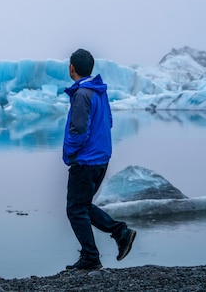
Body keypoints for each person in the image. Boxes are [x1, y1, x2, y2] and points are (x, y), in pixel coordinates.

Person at [62, 48, 136, 270]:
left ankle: (93, 255)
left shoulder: (82, 94)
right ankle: (117, 234)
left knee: (75, 210)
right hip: (101, 158)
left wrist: (71, 152)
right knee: (82, 206)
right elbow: (109, 122)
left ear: (71, 68)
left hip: (86, 161)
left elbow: (79, 130)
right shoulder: (99, 92)